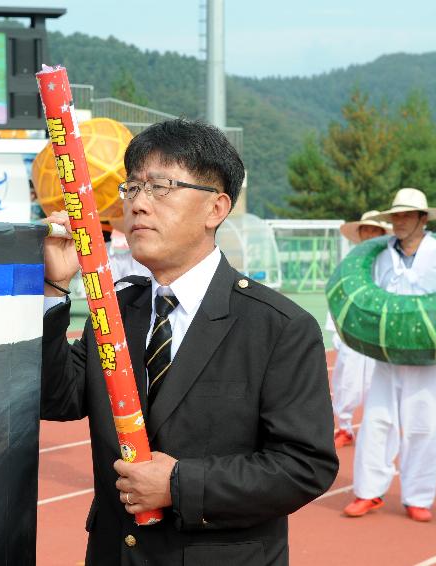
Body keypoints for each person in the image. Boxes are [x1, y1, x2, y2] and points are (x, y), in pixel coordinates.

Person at [42, 119, 338, 565]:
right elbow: (55, 397)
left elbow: (304, 466)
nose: (139, 204)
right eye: (132, 188)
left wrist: (179, 484)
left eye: (160, 186)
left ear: (215, 209)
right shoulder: (114, 314)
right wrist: (54, 291)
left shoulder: (277, 326)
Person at [342, 188, 436, 523]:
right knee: (377, 420)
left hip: (429, 355)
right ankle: (368, 491)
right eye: (395, 216)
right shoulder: (381, 256)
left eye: (406, 215)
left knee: (423, 422)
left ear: (423, 219)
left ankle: (418, 496)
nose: (398, 222)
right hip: (388, 352)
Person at [326, 210, 392, 449]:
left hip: (378, 333)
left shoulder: (390, 262)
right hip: (352, 332)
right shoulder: (349, 263)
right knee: (347, 380)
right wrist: (335, 329)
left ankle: (376, 430)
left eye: (375, 230)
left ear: (382, 234)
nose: (370, 234)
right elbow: (337, 295)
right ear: (361, 234)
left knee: (380, 382)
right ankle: (345, 427)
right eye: (367, 230)